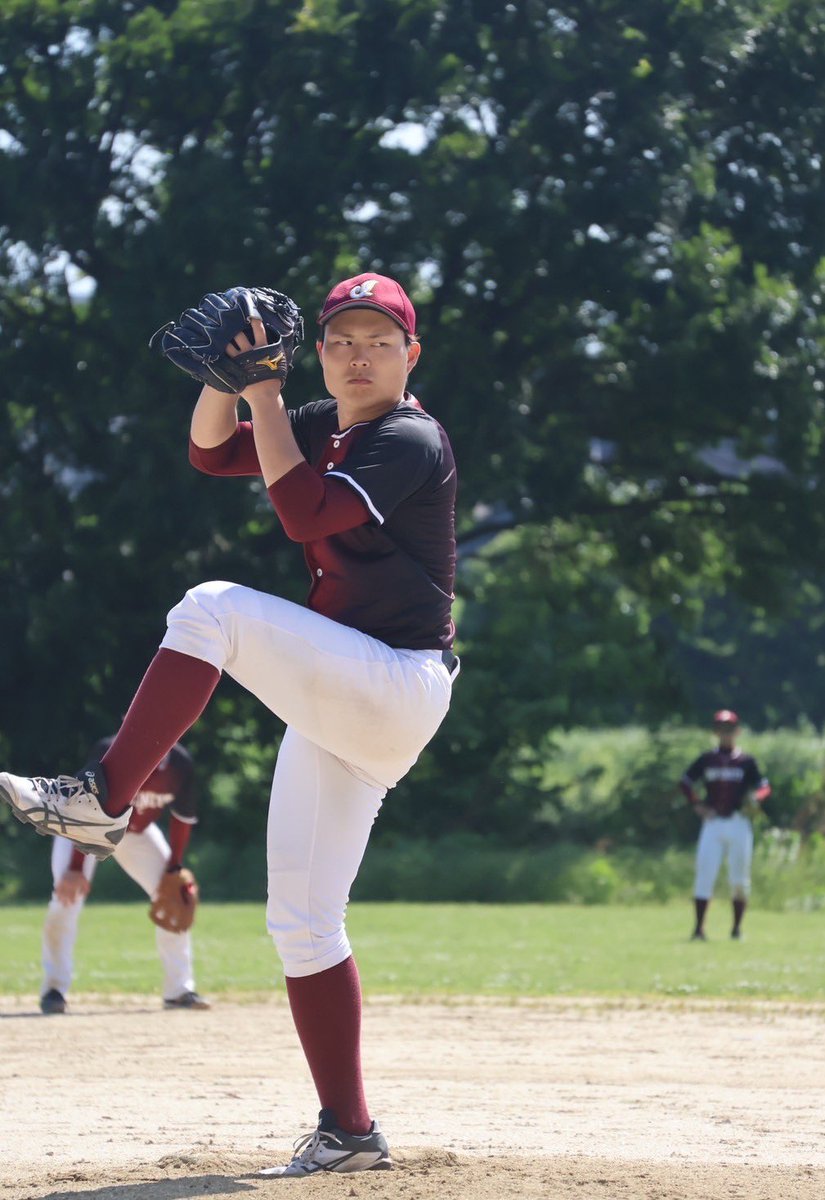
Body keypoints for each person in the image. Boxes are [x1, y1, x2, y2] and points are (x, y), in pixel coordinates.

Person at [0, 272, 459, 1176]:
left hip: (394, 681)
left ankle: (101, 800)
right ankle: (349, 1132)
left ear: (412, 354)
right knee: (302, 922)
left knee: (212, 609)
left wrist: (265, 390)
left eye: (378, 340)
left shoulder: (408, 436)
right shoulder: (330, 422)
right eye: (340, 340)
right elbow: (212, 454)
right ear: (318, 352)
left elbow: (303, 513)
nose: (357, 355)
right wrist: (227, 375)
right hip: (346, 692)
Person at [40, 737, 209, 1015]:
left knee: (175, 899)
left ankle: (179, 990)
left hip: (135, 834)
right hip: (82, 827)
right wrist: (74, 868)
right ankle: (54, 989)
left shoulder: (180, 764)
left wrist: (174, 867)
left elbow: (182, 819)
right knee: (66, 901)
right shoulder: (111, 753)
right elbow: (85, 809)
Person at [679, 709, 771, 941]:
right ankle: (699, 929)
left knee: (739, 878)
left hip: (739, 822)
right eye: (721, 729)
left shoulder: (746, 761)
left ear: (737, 731)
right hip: (713, 822)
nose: (725, 733)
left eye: (729, 729)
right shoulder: (707, 759)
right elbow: (685, 782)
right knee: (704, 874)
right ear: (715, 732)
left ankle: (736, 929)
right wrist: (697, 804)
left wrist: (756, 798)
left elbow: (764, 786)